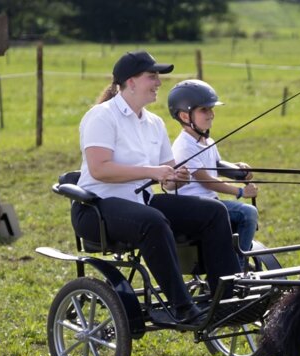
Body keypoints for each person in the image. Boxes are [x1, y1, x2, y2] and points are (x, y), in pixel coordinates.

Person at [71, 51, 241, 322]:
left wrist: (176, 176)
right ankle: (183, 307)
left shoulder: (154, 123)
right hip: (98, 208)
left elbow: (168, 172)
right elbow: (100, 169)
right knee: (153, 221)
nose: (159, 83)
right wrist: (153, 171)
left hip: (141, 201)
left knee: (214, 211)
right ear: (131, 82)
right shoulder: (102, 116)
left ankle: (227, 296)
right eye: (152, 77)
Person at [167, 79, 259, 261]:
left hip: (211, 203)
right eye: (204, 110)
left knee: (244, 213)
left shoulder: (207, 140)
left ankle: (232, 255)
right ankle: (237, 264)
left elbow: (216, 165)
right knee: (247, 213)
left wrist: (237, 168)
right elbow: (206, 180)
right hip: (193, 207)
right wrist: (240, 191)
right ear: (185, 116)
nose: (211, 114)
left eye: (211, 109)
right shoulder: (184, 146)